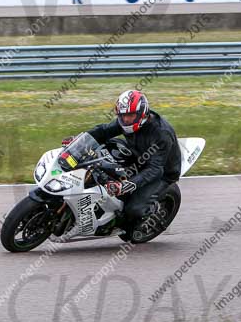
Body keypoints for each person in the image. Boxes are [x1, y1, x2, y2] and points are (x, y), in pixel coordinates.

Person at [63, 90, 181, 238]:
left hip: (162, 172)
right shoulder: (127, 121)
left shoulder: (161, 134)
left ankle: (125, 223)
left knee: (133, 210)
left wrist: (127, 185)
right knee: (99, 155)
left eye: (129, 116)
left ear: (142, 114)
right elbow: (103, 131)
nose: (125, 120)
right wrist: (78, 143)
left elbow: (155, 169)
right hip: (137, 155)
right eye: (122, 116)